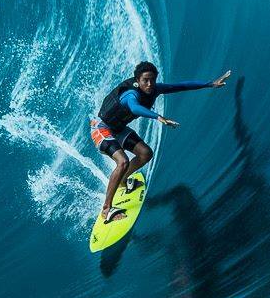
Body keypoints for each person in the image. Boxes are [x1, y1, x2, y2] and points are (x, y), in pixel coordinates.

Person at [90, 63, 230, 224]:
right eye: (145, 81)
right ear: (137, 80)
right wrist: (157, 117)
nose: (149, 84)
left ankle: (123, 180)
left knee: (145, 154)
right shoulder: (130, 94)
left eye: (152, 80)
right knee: (122, 161)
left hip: (118, 128)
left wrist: (210, 84)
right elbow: (135, 108)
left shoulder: (154, 88)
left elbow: (180, 86)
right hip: (102, 129)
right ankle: (106, 209)